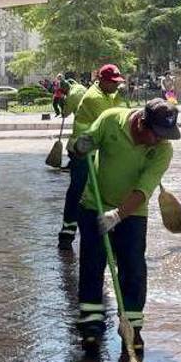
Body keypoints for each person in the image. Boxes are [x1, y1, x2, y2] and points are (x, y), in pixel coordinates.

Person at [69, 99, 180, 357]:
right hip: (94, 205)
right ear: (141, 123)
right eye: (158, 134)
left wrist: (118, 215)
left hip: (132, 212)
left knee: (133, 267)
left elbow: (145, 187)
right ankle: (91, 324)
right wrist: (79, 146)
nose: (161, 140)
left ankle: (131, 326)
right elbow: (84, 142)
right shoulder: (110, 119)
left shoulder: (163, 150)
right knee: (92, 263)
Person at [58, 64, 128, 250]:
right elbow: (113, 119)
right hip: (81, 151)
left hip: (95, 150)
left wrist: (120, 96)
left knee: (98, 190)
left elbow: (118, 111)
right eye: (113, 83)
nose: (115, 86)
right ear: (102, 81)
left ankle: (99, 230)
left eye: (117, 83)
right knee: (78, 189)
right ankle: (67, 231)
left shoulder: (107, 94)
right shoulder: (94, 97)